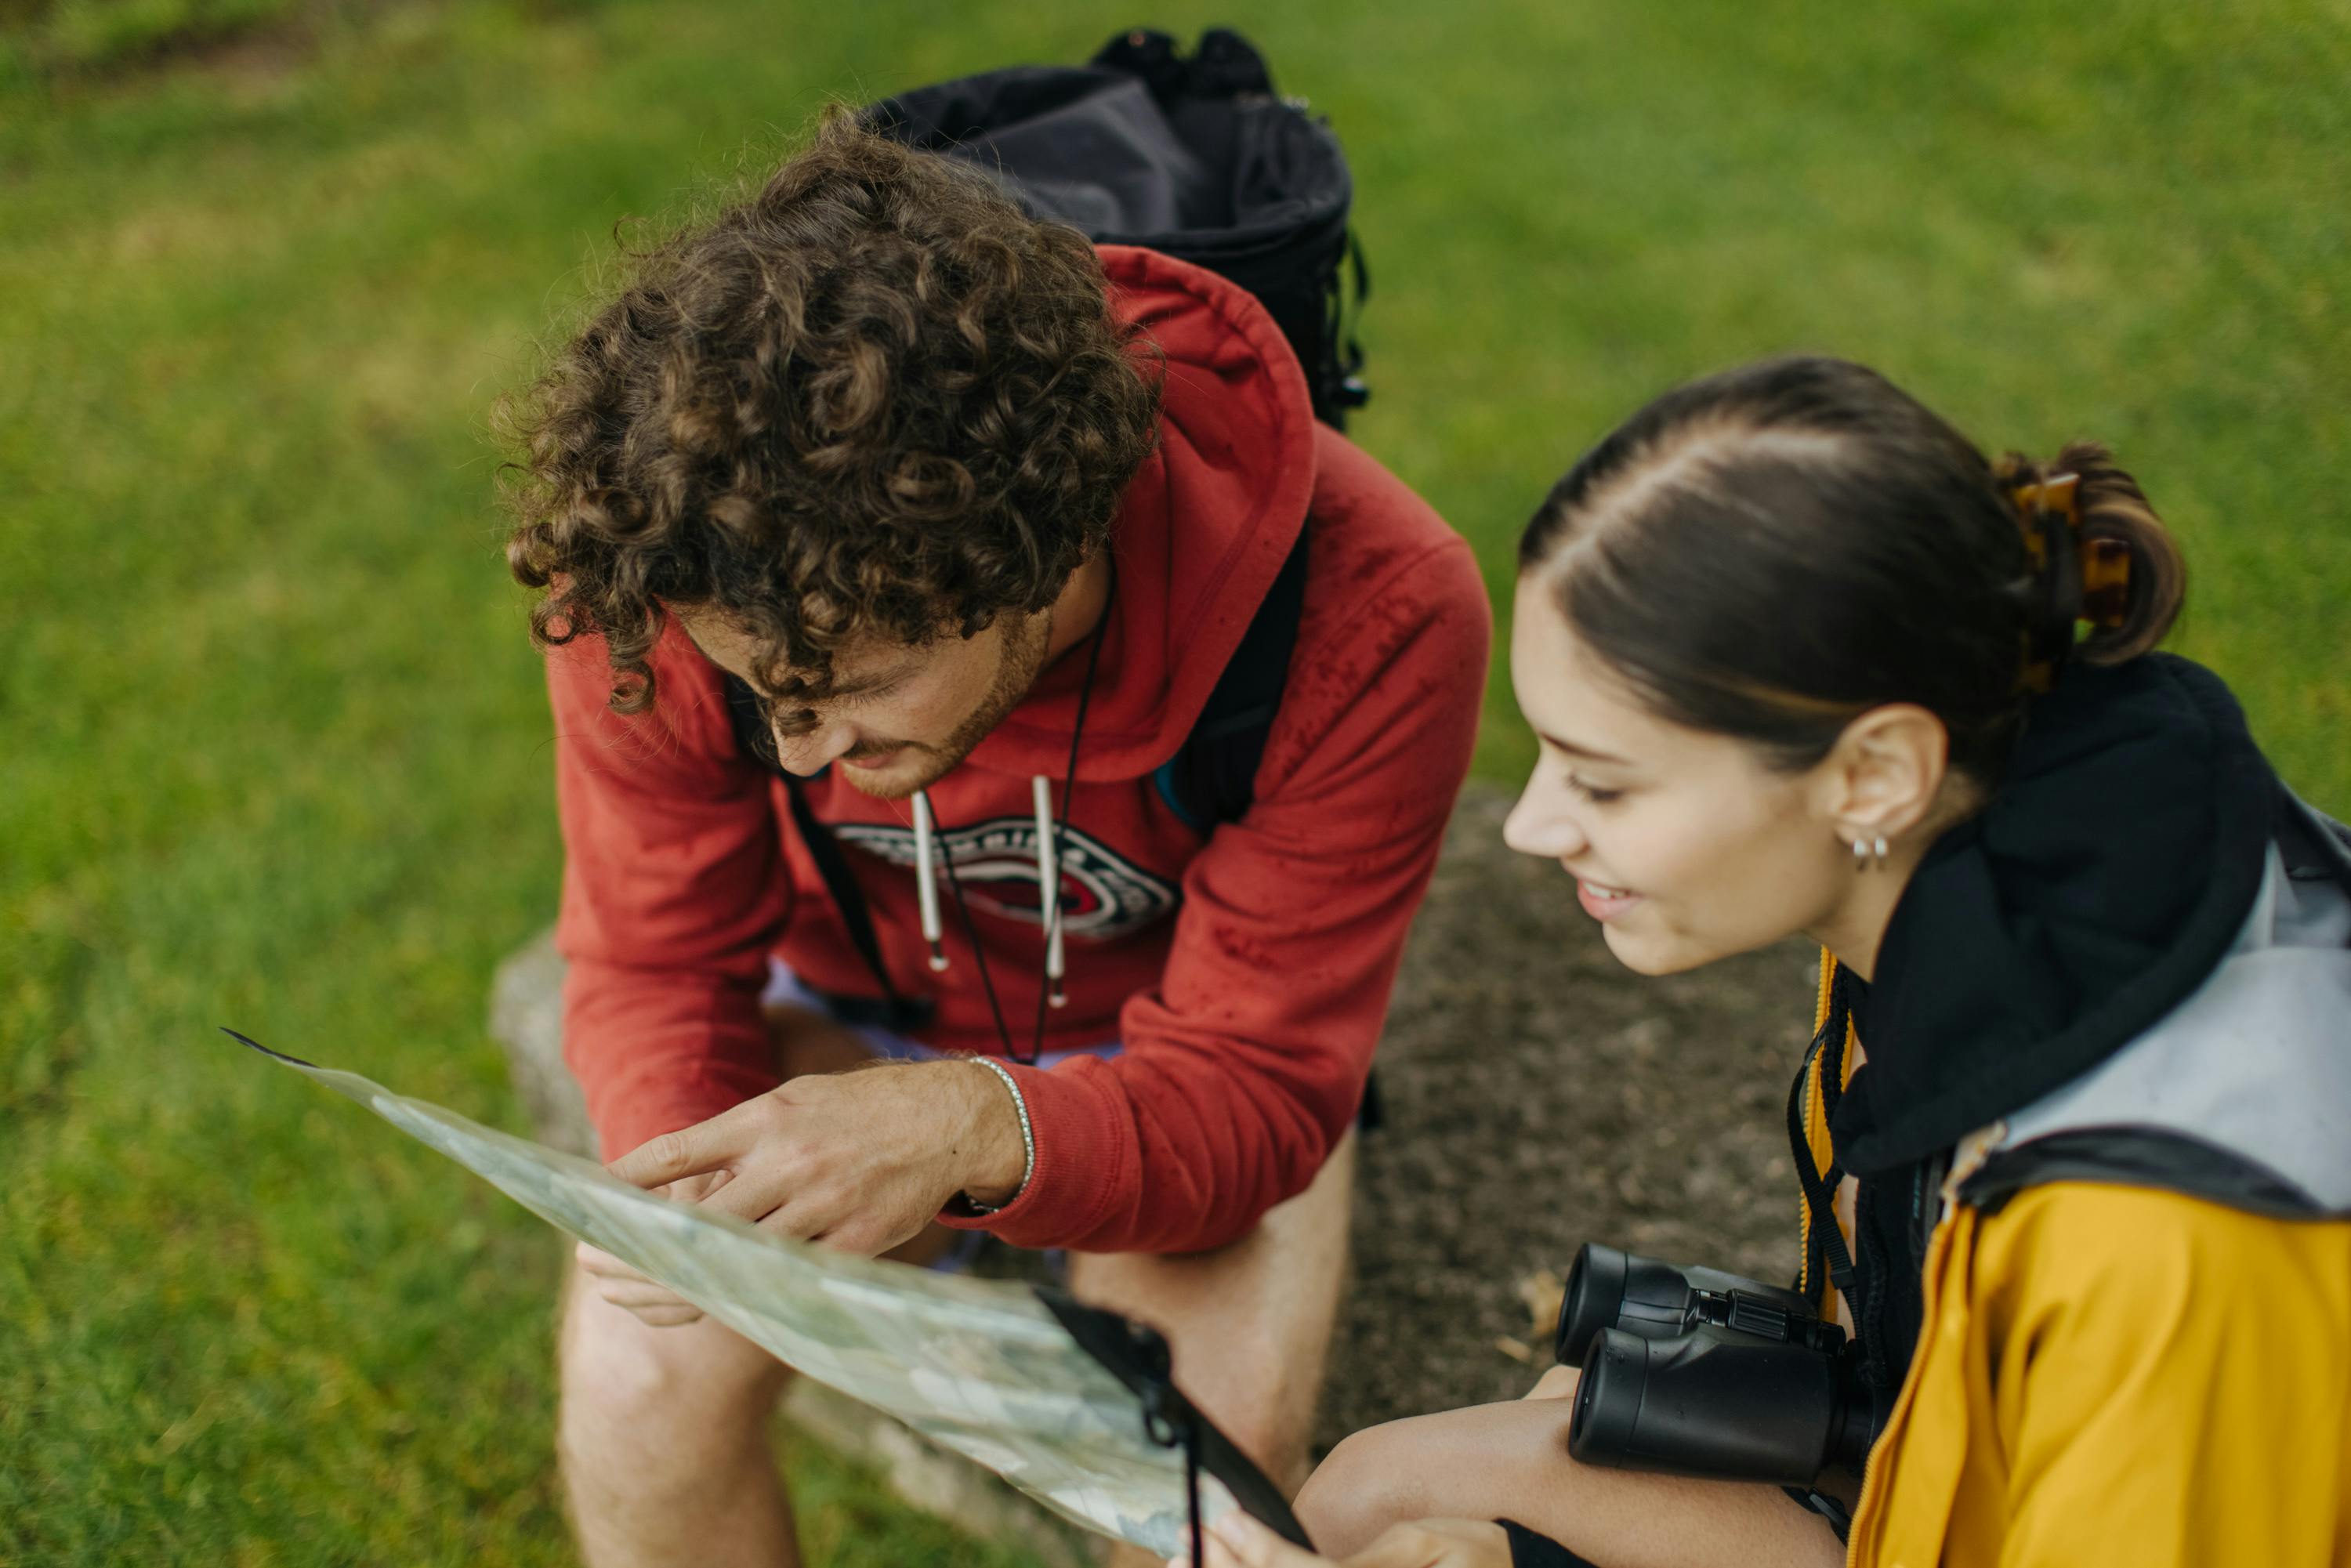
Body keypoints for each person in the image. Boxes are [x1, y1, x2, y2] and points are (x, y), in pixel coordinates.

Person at [500, 114, 1491, 1568]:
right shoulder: (669, 565)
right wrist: (681, 1171)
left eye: (848, 687)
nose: (796, 750)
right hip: (841, 1016)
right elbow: (653, 957)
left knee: (1195, 1499)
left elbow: (1255, 1081)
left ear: (1038, 551)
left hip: (1170, 1047)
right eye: (762, 693)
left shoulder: (1373, 604)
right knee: (640, 1387)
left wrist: (974, 1125)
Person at [1221, 356, 2350, 1568]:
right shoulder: (1987, 864)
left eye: (1605, 781)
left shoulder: (2163, 1236)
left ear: (1874, 773)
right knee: (1369, 1495)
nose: (1529, 825)